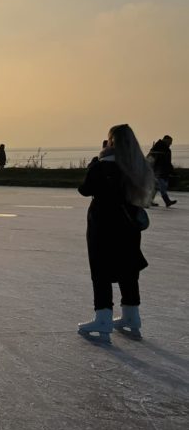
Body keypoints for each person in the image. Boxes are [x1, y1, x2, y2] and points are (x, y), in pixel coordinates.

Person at [77, 124, 155, 343]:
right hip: (129, 227)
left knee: (101, 270)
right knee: (128, 269)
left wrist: (94, 164)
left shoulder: (103, 166)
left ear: (112, 142)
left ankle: (103, 318)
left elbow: (85, 189)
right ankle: (132, 317)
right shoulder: (137, 165)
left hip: (103, 225)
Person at [147, 135, 177, 207]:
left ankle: (149, 201)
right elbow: (153, 159)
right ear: (166, 140)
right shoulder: (160, 148)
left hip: (161, 170)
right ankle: (167, 201)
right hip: (158, 170)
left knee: (156, 186)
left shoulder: (162, 148)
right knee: (162, 186)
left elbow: (167, 162)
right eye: (170, 142)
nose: (171, 144)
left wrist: (171, 170)